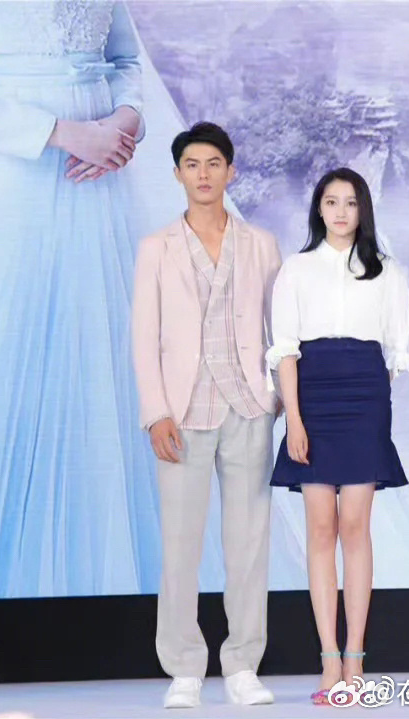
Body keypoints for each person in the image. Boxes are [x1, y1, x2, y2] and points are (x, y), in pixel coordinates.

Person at [0, 0, 166, 599]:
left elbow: (125, 59)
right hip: (4, 179)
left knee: (104, 371)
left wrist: (126, 120)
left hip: (102, 185)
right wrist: (62, 133)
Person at [131, 122, 280, 708]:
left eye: (214, 163)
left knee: (249, 543)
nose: (203, 174)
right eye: (192, 164)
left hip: (249, 407)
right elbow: (144, 337)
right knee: (180, 543)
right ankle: (185, 667)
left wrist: (277, 400)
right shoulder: (157, 247)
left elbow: (279, 332)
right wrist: (155, 412)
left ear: (230, 172)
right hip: (183, 411)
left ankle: (242, 664)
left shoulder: (260, 244)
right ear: (177, 174)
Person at [265, 167, 409, 704]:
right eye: (331, 202)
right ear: (319, 209)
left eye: (351, 202)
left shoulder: (388, 272)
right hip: (313, 398)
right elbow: (285, 350)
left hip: (365, 398)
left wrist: (371, 398)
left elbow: (395, 351)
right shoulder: (296, 269)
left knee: (355, 525)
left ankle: (356, 658)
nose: (341, 211)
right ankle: (328, 659)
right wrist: (295, 420)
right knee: (321, 528)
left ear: (363, 209)